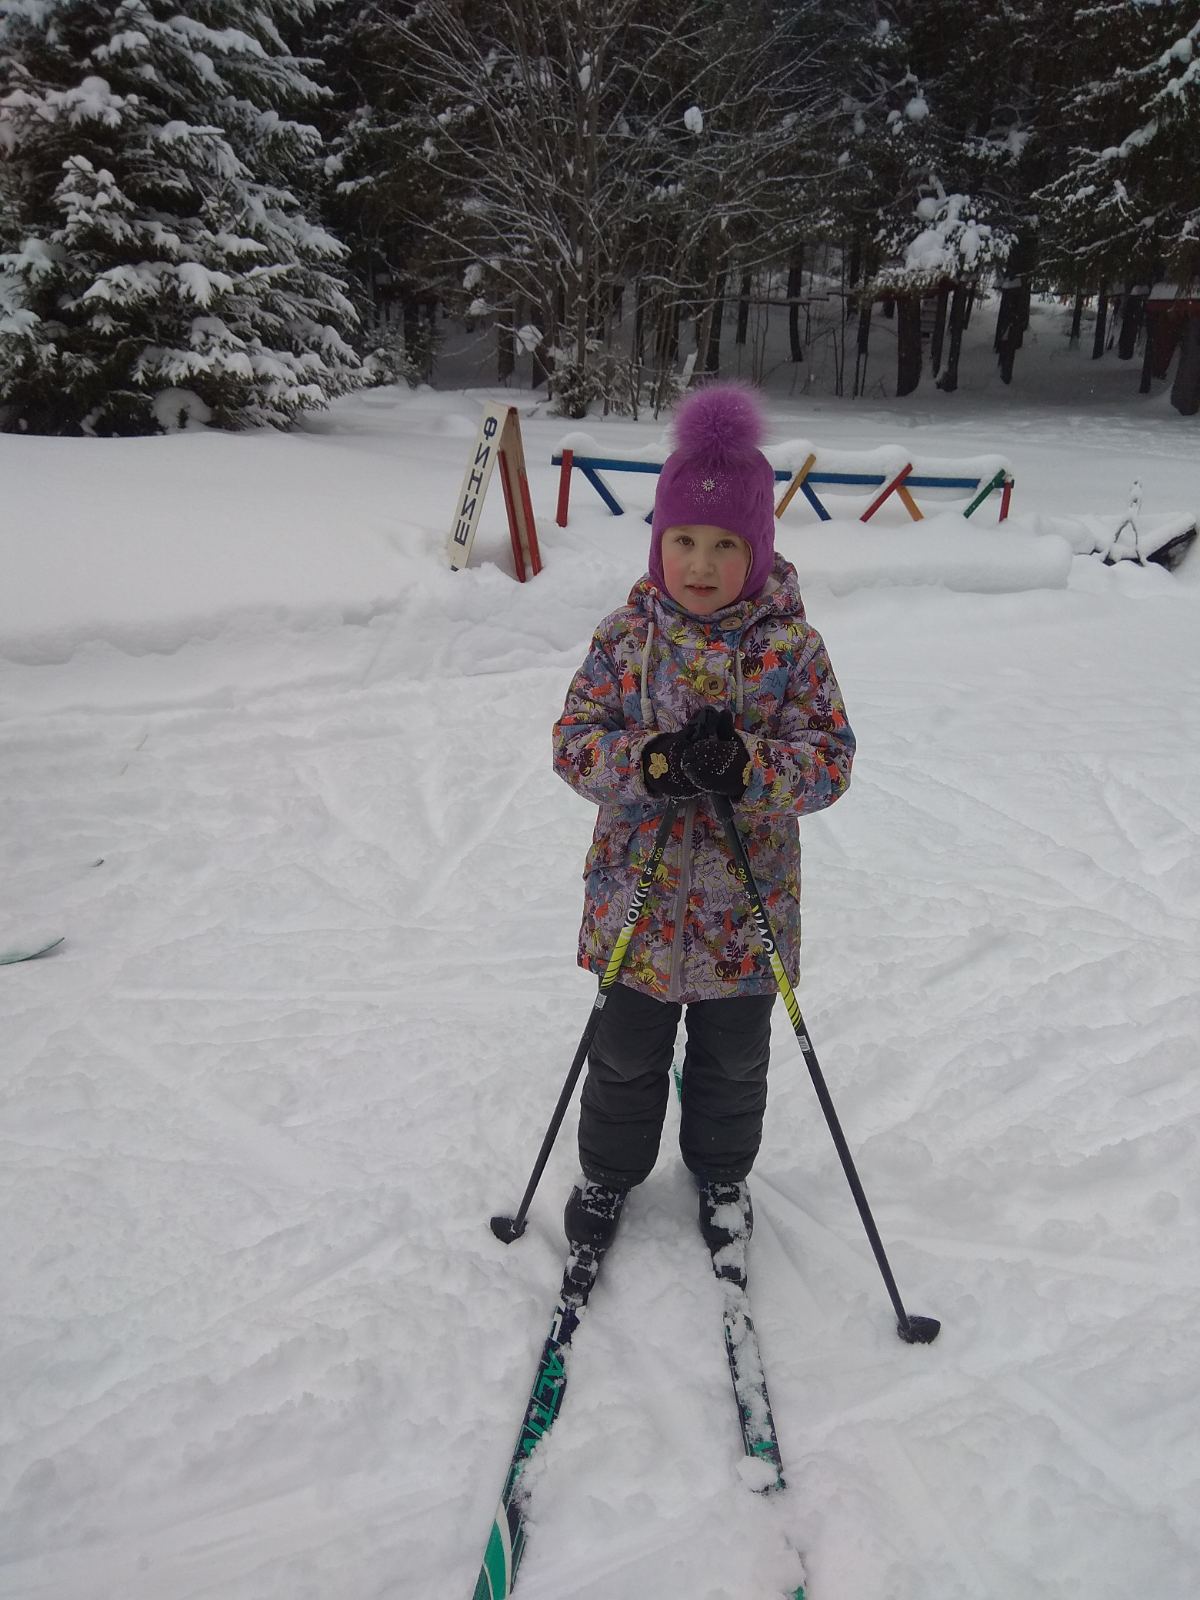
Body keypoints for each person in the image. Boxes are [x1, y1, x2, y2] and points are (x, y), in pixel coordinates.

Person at [551, 382, 855, 1265]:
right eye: (683, 539)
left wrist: (748, 769)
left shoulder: (791, 649)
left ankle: (722, 1175)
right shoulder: (625, 638)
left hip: (744, 917)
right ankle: (608, 1174)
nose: (700, 562)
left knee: (732, 1065)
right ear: (659, 541)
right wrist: (655, 763)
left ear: (757, 550)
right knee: (623, 1057)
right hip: (635, 911)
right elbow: (574, 743)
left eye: (726, 544)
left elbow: (830, 761)